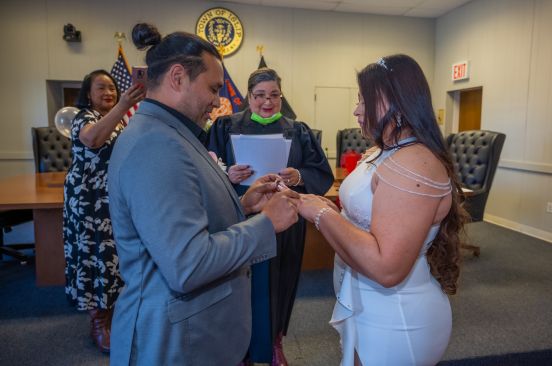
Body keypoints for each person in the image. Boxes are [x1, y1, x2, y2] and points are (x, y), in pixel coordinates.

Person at [107, 23, 301, 366]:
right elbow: (188, 263)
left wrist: (241, 206)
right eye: (213, 88)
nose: (218, 100)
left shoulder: (170, 132)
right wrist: (266, 224)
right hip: (176, 342)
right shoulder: (155, 143)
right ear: (178, 77)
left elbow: (179, 220)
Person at [297, 54, 467, 365]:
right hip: (369, 304)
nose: (356, 109)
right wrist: (328, 207)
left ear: (396, 102)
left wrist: (323, 216)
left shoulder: (413, 163)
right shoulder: (384, 150)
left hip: (396, 316)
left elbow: (387, 268)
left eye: (364, 99)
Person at [208, 67, 334, 365]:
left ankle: (275, 341)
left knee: (280, 281)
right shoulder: (224, 127)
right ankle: (240, 349)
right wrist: (226, 172)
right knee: (239, 283)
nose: (268, 102)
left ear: (281, 96)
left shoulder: (297, 130)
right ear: (248, 97)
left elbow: (320, 173)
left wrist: (299, 175)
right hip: (240, 216)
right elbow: (202, 168)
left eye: (274, 95)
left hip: (284, 220)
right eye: (260, 95)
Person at [63, 70, 145, 353]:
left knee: (112, 258)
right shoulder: (82, 117)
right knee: (93, 257)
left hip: (113, 199)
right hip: (88, 200)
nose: (109, 93)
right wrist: (123, 104)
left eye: (112, 88)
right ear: (88, 93)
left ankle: (113, 316)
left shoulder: (119, 121)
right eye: (102, 88)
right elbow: (93, 140)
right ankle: (98, 322)